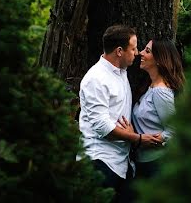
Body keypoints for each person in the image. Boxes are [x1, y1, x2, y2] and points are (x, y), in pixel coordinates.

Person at [79, 25, 162, 202]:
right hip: (99, 162)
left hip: (121, 164)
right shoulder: (96, 79)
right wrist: (138, 139)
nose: (138, 52)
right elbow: (103, 128)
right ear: (119, 51)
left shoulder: (121, 71)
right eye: (133, 48)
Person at [127, 39, 185, 181]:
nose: (140, 53)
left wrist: (142, 140)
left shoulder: (160, 92)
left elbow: (174, 131)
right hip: (144, 163)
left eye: (147, 51)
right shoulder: (150, 87)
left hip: (157, 164)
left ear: (159, 60)